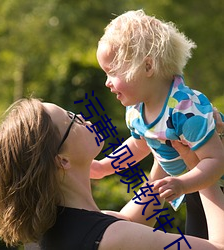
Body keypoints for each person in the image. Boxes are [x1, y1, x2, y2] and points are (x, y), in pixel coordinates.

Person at [0, 98, 224, 250]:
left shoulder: (53, 232)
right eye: (72, 120)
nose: (82, 117)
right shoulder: (112, 238)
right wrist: (201, 165)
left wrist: (164, 136)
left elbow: (128, 220)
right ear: (62, 160)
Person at [95, 9, 224, 239]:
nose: (107, 82)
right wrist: (104, 166)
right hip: (193, 187)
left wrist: (183, 184)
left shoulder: (185, 109)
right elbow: (139, 144)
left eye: (112, 72)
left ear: (147, 67)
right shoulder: (136, 109)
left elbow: (216, 160)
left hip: (214, 186)